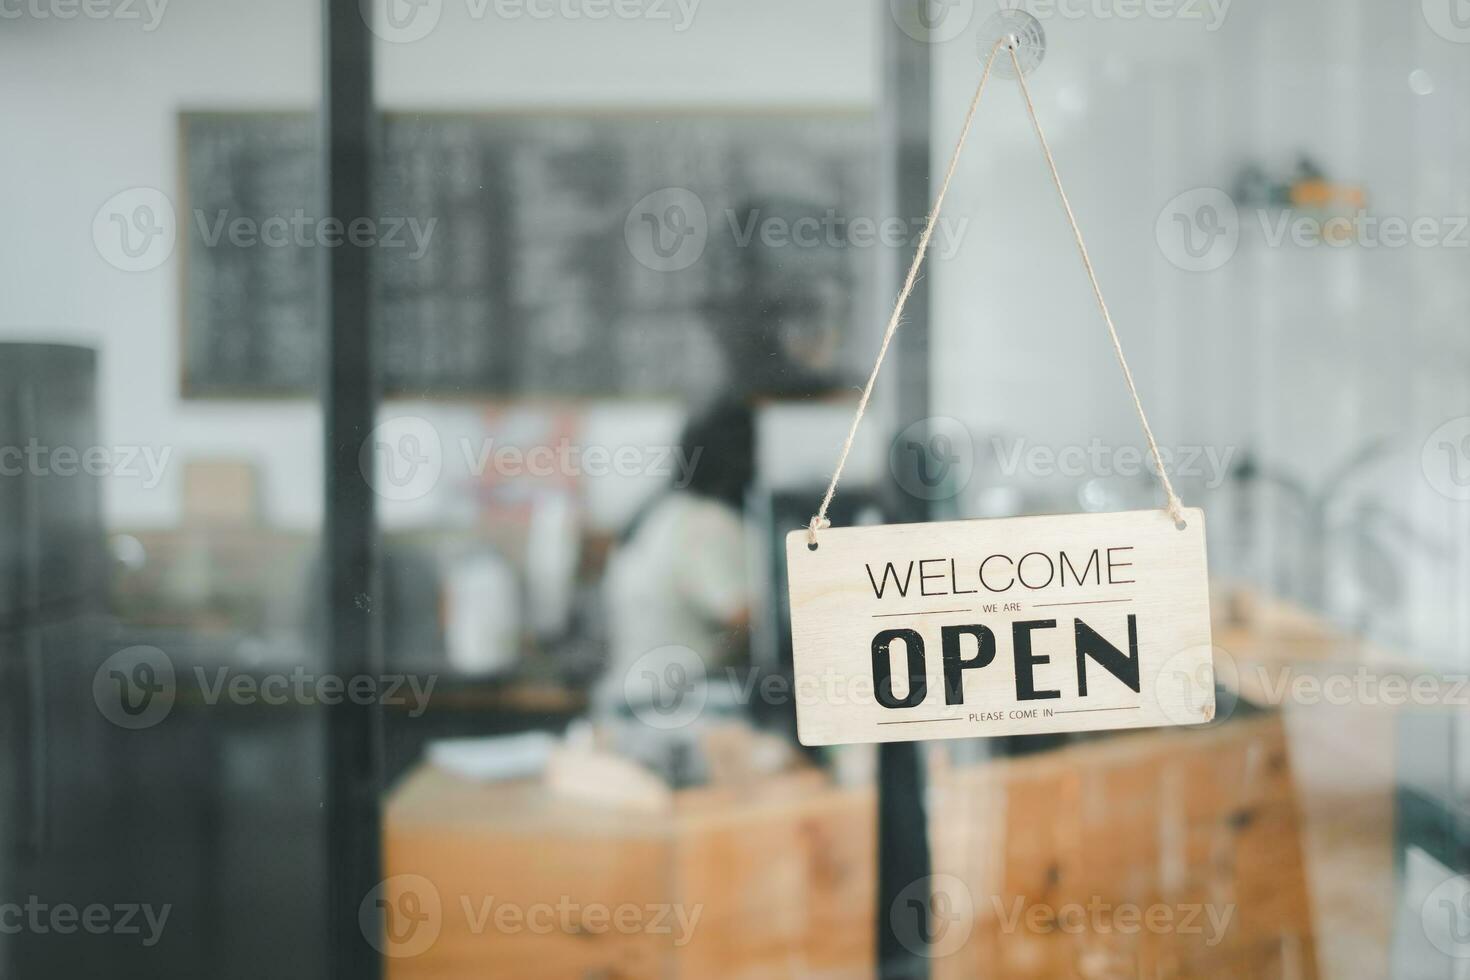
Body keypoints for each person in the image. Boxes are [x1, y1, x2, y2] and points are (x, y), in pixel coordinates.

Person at [597, 398, 755, 730]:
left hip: (627, 702)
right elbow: (742, 615)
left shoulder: (657, 512)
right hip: (673, 712)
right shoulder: (705, 522)